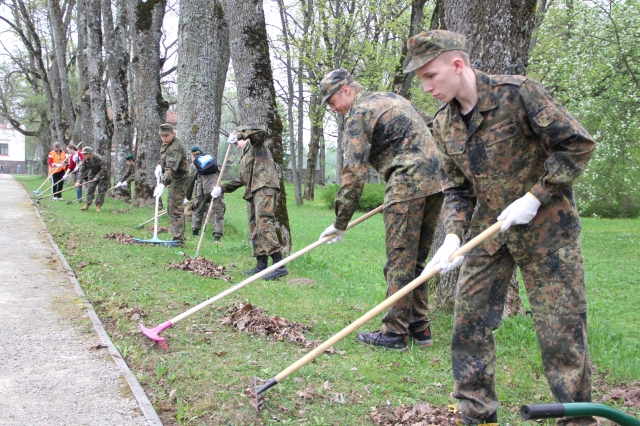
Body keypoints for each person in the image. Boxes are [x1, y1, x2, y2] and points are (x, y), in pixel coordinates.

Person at [405, 30, 596, 425]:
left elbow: (577, 144)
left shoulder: (519, 94)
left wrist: (537, 195)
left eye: (431, 76)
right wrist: (455, 236)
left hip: (548, 233)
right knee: (468, 324)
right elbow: (457, 189)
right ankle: (476, 414)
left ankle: (577, 420)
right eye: (420, 79)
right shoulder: (443, 124)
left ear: (458, 65)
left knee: (561, 332)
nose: (426, 87)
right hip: (488, 237)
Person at [317, 68, 444, 351]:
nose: (333, 109)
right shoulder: (390, 98)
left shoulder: (358, 114)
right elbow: (433, 125)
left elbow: (353, 173)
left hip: (407, 183)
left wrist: (340, 221)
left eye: (332, 101)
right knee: (417, 260)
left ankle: (394, 333)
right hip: (437, 182)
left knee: (399, 260)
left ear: (346, 91)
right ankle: (419, 327)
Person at [211, 127, 288, 280]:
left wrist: (238, 133)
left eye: (237, 141)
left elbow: (259, 131)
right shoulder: (245, 156)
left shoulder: (256, 144)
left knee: (263, 222)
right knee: (254, 226)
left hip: (264, 187)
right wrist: (222, 188)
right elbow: (242, 179)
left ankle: (279, 265)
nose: (236, 144)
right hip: (253, 191)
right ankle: (261, 265)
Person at [154, 123, 189, 247]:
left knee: (174, 209)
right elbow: (163, 159)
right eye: (161, 136)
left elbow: (171, 169)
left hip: (179, 179)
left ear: (173, 133)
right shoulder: (166, 144)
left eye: (166, 135)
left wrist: (162, 183)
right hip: (172, 178)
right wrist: (159, 165)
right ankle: (176, 237)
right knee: (171, 208)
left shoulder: (175, 148)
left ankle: (178, 241)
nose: (164, 138)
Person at [186, 146, 225, 241]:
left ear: (192, 155)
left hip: (202, 189)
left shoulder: (194, 165)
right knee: (217, 211)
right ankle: (217, 237)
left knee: (198, 209)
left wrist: (187, 197)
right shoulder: (211, 161)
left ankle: (195, 232)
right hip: (217, 187)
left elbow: (190, 181)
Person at [75, 146, 108, 212]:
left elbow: (104, 169)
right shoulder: (85, 160)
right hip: (92, 174)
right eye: (83, 154)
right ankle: (87, 204)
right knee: (90, 189)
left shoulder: (99, 158)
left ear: (90, 153)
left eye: (85, 154)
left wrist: (97, 177)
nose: (84, 155)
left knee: (101, 191)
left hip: (102, 175)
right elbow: (82, 171)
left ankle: (98, 206)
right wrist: (78, 181)